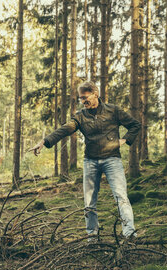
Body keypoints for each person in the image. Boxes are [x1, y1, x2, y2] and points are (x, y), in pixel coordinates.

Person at [29, 81, 141, 240]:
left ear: (96, 94)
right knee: (89, 202)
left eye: (85, 97)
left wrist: (125, 140)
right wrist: (44, 142)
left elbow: (135, 125)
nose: (83, 101)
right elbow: (64, 130)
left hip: (112, 160)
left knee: (121, 197)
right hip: (91, 162)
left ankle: (129, 233)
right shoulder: (80, 117)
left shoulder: (113, 111)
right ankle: (92, 237)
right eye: (81, 99)